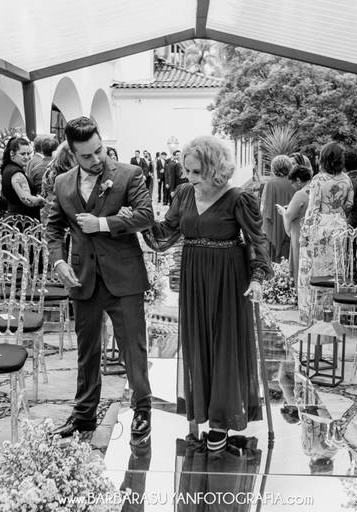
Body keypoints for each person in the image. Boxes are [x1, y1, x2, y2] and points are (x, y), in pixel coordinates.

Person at [136, 134, 271, 452]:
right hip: (194, 274)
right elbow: (165, 232)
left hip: (228, 276)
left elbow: (257, 239)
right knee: (197, 342)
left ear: (214, 168)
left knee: (223, 344)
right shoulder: (184, 193)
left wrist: (257, 278)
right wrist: (138, 218)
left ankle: (221, 421)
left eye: (196, 171)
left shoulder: (238, 198)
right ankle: (200, 409)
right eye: (187, 170)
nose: (189, 177)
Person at [46, 117, 153, 445]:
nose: (96, 159)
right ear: (72, 154)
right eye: (87, 156)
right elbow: (53, 227)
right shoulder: (62, 182)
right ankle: (83, 415)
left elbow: (146, 215)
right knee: (87, 350)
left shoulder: (129, 174)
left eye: (99, 150)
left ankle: (142, 409)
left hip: (124, 277)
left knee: (133, 348)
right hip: (83, 278)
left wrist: (102, 223)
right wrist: (59, 261)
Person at [299, 142, 354, 318]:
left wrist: (304, 233)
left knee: (315, 270)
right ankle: (333, 310)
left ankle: (314, 312)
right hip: (339, 226)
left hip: (321, 227)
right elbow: (349, 204)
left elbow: (313, 208)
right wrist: (338, 214)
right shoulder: (346, 179)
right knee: (335, 269)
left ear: (324, 159)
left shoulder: (318, 180)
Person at [276, 164, 312, 284]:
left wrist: (283, 211)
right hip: (313, 233)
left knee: (299, 265)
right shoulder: (315, 189)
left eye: (293, 183)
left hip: (300, 234)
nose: (293, 186)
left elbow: (289, 216)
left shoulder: (300, 194)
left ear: (298, 180)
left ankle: (299, 290)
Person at [260, 155, 295, 263]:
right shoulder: (294, 182)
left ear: (274, 168)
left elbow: (264, 208)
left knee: (274, 261)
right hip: (290, 225)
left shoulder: (270, 184)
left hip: (273, 226)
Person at [1, 137, 45, 220]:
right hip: (22, 221)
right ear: (12, 153)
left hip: (16, 218)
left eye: (28, 153)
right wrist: (43, 201)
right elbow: (27, 199)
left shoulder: (9, 168)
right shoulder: (16, 173)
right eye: (22, 154)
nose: (27, 157)